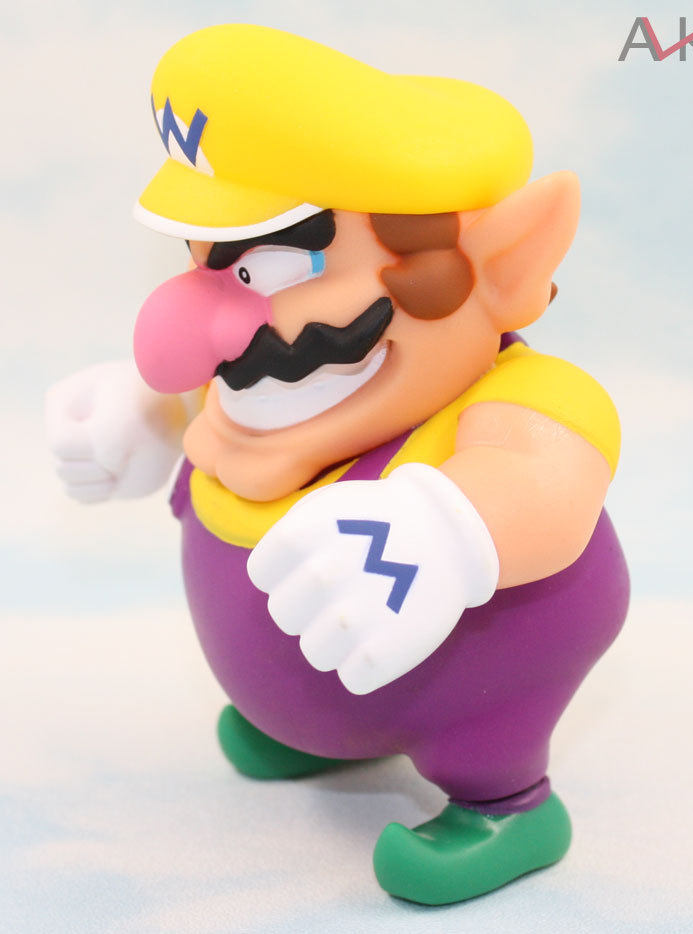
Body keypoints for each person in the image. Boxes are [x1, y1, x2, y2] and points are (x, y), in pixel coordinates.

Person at [46, 24, 629, 905]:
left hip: (467, 684)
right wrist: (145, 412)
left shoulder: (523, 397)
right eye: (205, 262)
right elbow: (194, 379)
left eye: (272, 266)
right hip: (328, 683)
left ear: (499, 265)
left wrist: (444, 530)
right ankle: (305, 721)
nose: (194, 325)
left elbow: (543, 482)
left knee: (482, 726)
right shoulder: (263, 391)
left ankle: (508, 804)